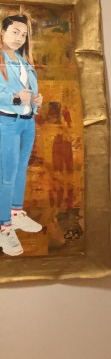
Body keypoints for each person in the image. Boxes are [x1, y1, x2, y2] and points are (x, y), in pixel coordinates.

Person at [0, 15, 44, 257]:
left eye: (23, 34)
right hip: (6, 122)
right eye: (14, 32)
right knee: (6, 176)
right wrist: (16, 99)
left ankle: (15, 213)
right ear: (3, 31)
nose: (19, 38)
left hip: (27, 122)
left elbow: (29, 92)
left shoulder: (23, 61)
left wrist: (36, 100)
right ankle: (3, 227)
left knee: (20, 170)